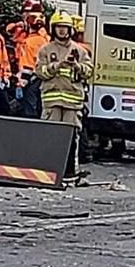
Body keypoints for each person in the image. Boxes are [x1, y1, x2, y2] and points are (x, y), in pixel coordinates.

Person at [37, 11, 94, 181]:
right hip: (52, 100)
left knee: (71, 137)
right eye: (59, 28)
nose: (62, 31)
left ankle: (70, 171)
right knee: (51, 135)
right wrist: (57, 65)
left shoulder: (79, 51)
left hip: (73, 101)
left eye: (65, 28)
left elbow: (89, 72)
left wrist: (77, 66)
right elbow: (40, 72)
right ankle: (49, 170)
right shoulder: (45, 50)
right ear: (53, 29)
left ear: (71, 30)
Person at [12, 11, 50, 119]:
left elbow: (27, 65)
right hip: (43, 79)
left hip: (31, 80)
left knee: (29, 109)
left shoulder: (28, 42)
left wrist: (22, 82)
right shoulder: (45, 40)